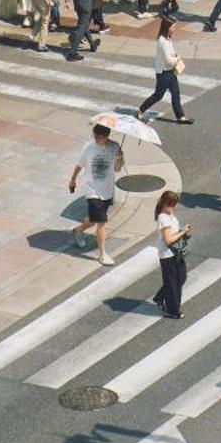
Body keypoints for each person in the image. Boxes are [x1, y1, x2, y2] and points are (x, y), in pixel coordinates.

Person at [68, 123, 124, 266]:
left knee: (94, 220)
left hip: (106, 190)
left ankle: (77, 230)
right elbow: (79, 165)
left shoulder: (115, 147)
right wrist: (73, 179)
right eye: (95, 136)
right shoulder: (89, 147)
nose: (96, 139)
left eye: (99, 137)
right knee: (101, 222)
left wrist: (120, 158)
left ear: (107, 136)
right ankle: (102, 254)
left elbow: (117, 169)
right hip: (92, 189)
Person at [136, 15, 191, 123]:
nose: (174, 29)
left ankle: (180, 117)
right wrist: (178, 58)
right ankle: (140, 110)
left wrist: (174, 55)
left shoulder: (168, 38)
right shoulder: (162, 41)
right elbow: (168, 61)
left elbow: (169, 55)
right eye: (173, 27)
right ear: (167, 27)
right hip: (163, 73)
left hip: (170, 71)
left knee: (176, 94)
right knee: (158, 95)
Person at [153, 191, 190, 318]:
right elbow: (168, 240)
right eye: (173, 205)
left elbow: (171, 234)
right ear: (165, 204)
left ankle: (160, 297)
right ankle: (173, 310)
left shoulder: (169, 214)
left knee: (181, 277)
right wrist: (182, 232)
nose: (175, 207)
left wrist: (180, 231)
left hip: (175, 252)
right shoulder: (163, 218)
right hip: (168, 255)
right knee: (173, 282)